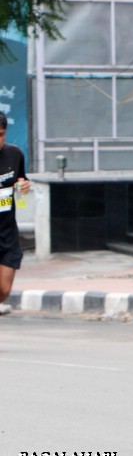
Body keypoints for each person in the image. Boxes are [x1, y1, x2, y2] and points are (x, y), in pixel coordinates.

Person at [0, 112, 30, 316]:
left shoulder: (14, 154)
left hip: (7, 233)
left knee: (3, 290)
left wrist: (23, 188)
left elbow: (20, 187)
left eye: (1, 134)